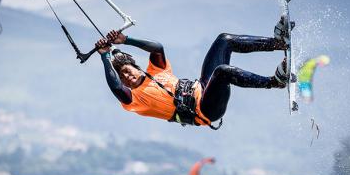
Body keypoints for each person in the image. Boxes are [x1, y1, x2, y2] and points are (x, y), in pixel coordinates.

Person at [96, 17, 289, 129]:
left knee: (224, 40)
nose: (126, 77)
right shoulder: (133, 100)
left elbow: (157, 48)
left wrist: (126, 39)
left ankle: (278, 43)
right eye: (123, 77)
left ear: (136, 67)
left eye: (127, 71)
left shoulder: (156, 70)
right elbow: (115, 86)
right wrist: (105, 55)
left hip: (203, 86)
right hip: (204, 110)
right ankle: (275, 81)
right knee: (223, 72)